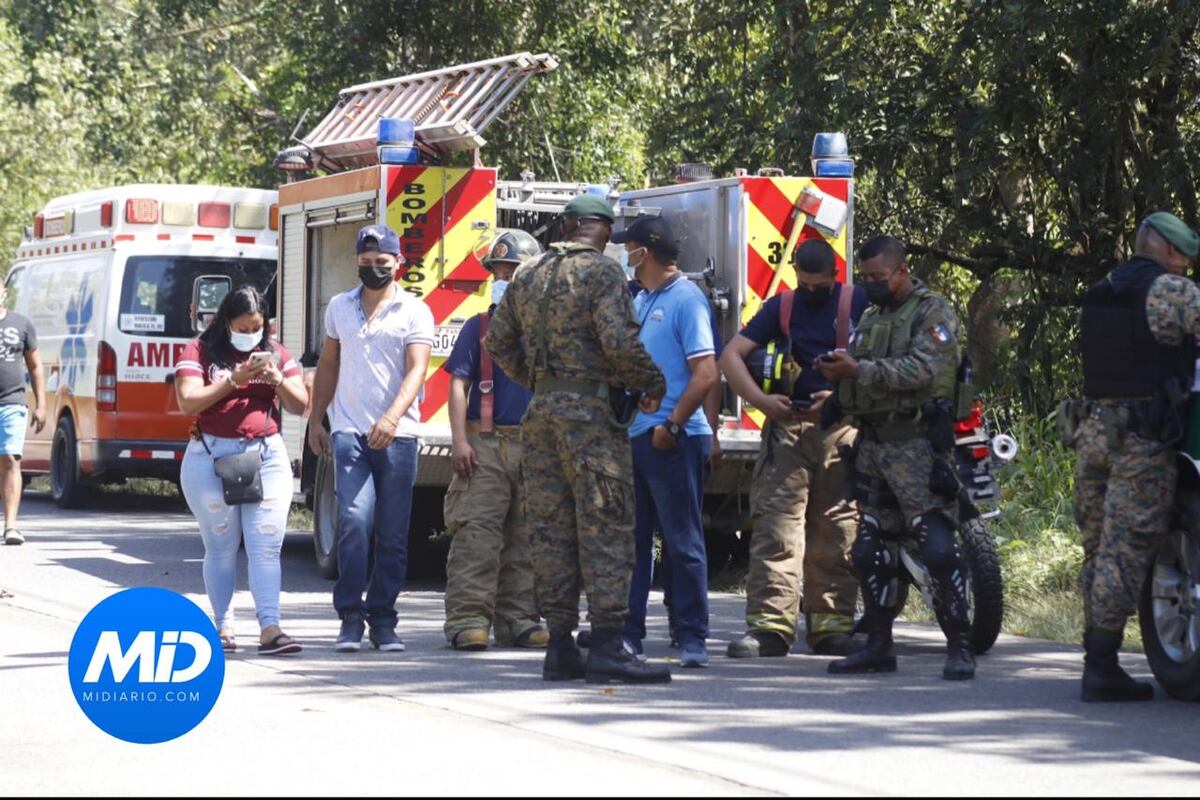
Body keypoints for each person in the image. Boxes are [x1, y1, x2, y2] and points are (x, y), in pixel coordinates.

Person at [486, 194, 671, 684]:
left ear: (565, 227)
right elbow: (619, 342)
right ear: (603, 232)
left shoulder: (526, 273)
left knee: (551, 531)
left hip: (541, 416)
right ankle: (609, 645)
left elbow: (497, 340)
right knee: (605, 526)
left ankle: (560, 646)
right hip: (589, 420)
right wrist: (651, 384)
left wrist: (537, 381)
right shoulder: (602, 273)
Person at [816, 235, 976, 680]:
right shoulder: (871, 315)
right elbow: (865, 373)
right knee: (870, 550)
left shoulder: (933, 312)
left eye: (879, 278)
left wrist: (858, 370)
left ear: (902, 271)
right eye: (865, 278)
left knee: (938, 548)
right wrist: (838, 390)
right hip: (874, 448)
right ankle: (879, 647)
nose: (871, 285)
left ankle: (960, 646)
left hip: (918, 446)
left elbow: (924, 370)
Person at [1063, 212, 1200, 701]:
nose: (1186, 268)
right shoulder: (1172, 292)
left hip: (1093, 432)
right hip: (1142, 440)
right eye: (1185, 258)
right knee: (1126, 550)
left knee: (1099, 548)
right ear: (1170, 252)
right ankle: (1100, 668)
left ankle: (1097, 658)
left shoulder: (1103, 289)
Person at [720, 239, 868, 658]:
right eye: (804, 284)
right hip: (787, 433)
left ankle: (832, 626)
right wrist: (761, 401)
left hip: (841, 431)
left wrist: (842, 400)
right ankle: (770, 628)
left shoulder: (859, 303)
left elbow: (881, 362)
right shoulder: (781, 307)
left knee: (838, 530)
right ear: (795, 276)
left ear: (835, 277)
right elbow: (731, 356)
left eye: (819, 286)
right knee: (776, 531)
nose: (811, 293)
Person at [307, 224, 434, 653]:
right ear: (357, 262)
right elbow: (328, 363)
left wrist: (392, 418)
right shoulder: (339, 308)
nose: (374, 270)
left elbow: (417, 369)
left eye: (382, 263)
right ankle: (350, 617)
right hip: (349, 433)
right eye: (366, 263)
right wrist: (315, 419)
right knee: (355, 523)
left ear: (399, 264)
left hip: (398, 435)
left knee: (393, 532)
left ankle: (383, 619)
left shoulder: (415, 311)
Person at [175, 285, 308, 655]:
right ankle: (223, 626)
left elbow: (301, 405)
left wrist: (277, 380)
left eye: (257, 327)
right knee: (221, 544)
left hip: (265, 456)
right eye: (243, 327)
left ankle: (270, 627)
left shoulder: (276, 353)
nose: (250, 334)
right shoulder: (199, 350)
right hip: (210, 457)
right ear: (225, 321)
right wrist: (234, 379)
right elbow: (188, 401)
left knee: (266, 544)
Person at [615, 216, 720, 668]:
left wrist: (673, 425)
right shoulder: (645, 299)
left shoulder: (686, 301)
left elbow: (707, 374)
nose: (624, 255)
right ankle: (628, 634)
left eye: (629, 247)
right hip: (640, 437)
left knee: (682, 541)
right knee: (634, 542)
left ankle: (692, 636)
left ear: (646, 251)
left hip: (672, 440)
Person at [442, 231, 549, 651]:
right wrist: (458, 441)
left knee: (528, 537)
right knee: (478, 536)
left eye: (512, 271)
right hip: (485, 444)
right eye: (499, 271)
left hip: (535, 446)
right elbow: (457, 385)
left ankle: (520, 618)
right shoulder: (479, 327)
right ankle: (468, 618)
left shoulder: (546, 330)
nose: (503, 278)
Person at [0, 283, 44, 546]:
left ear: (4, 291)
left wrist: (41, 405)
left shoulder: (21, 324)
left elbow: (36, 366)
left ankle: (11, 526)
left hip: (12, 403)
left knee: (11, 460)